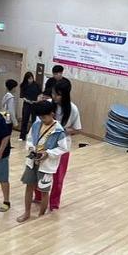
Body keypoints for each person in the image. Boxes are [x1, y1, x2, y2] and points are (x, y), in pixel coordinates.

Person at [17, 100, 69, 223]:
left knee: (44, 190)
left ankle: (41, 215)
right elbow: (30, 139)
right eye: (40, 117)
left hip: (46, 165)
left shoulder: (59, 130)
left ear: (52, 114)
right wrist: (31, 148)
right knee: (29, 187)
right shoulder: (36, 124)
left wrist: (48, 153)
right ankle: (27, 212)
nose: (42, 120)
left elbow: (63, 148)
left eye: (44, 117)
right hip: (32, 162)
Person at [45, 79, 82, 211]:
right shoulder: (48, 104)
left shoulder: (73, 109)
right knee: (41, 172)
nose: (54, 97)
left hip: (63, 147)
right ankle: (39, 197)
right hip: (46, 144)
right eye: (53, 93)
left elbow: (77, 129)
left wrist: (62, 131)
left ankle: (54, 203)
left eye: (58, 94)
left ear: (65, 95)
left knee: (58, 176)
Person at [18, 71, 42, 141]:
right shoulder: (23, 85)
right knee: (25, 120)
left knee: (35, 121)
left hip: (35, 104)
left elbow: (40, 94)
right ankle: (22, 136)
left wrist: (38, 100)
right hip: (27, 104)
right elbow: (22, 96)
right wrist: (27, 100)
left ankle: (34, 136)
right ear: (26, 79)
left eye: (31, 78)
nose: (30, 80)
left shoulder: (37, 85)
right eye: (29, 79)